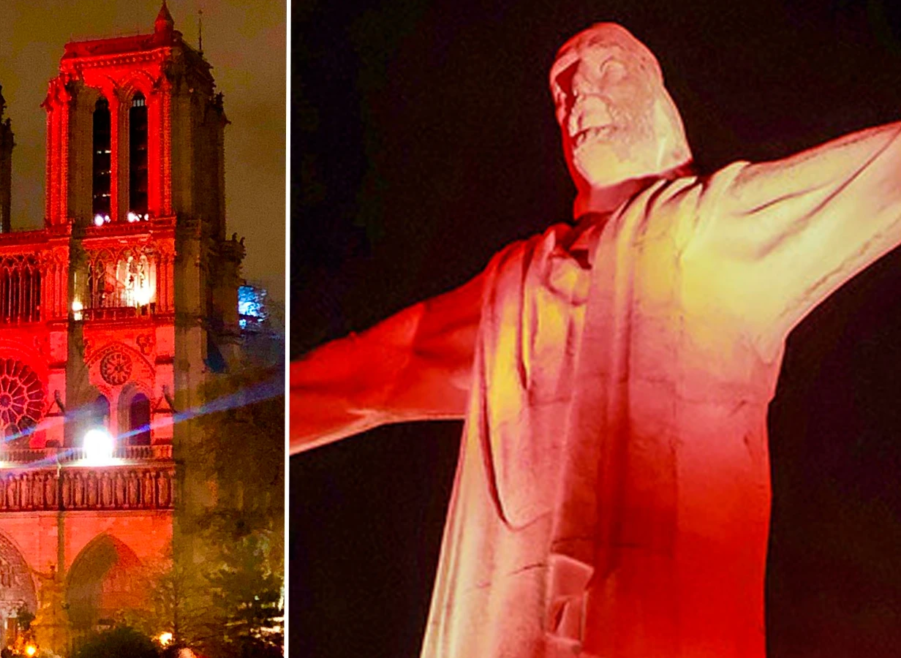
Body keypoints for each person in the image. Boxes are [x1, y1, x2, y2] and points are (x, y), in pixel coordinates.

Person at [290, 22, 901, 657]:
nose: (580, 96)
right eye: (565, 92)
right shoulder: (518, 286)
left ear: (657, 99)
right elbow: (374, 373)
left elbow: (883, 176)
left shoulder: (714, 229)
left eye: (608, 71)